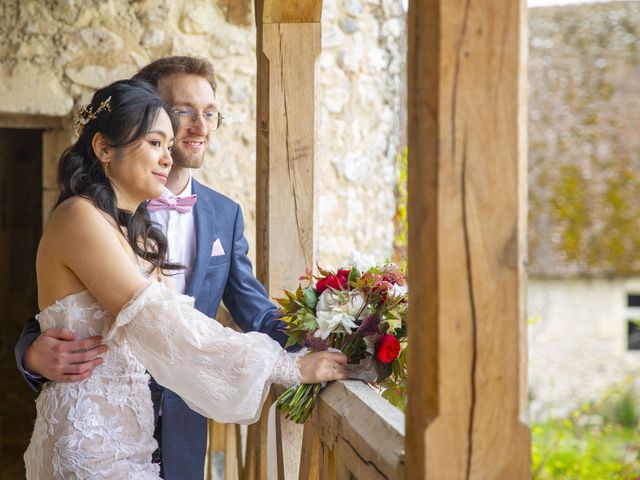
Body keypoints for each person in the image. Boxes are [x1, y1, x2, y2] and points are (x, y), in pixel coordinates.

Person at [23, 79, 347, 479]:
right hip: (91, 442)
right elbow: (161, 324)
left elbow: (248, 310)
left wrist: (330, 337)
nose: (168, 156)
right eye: (155, 143)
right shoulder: (79, 217)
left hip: (138, 440)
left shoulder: (136, 230)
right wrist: (287, 368)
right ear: (105, 148)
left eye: (167, 144)